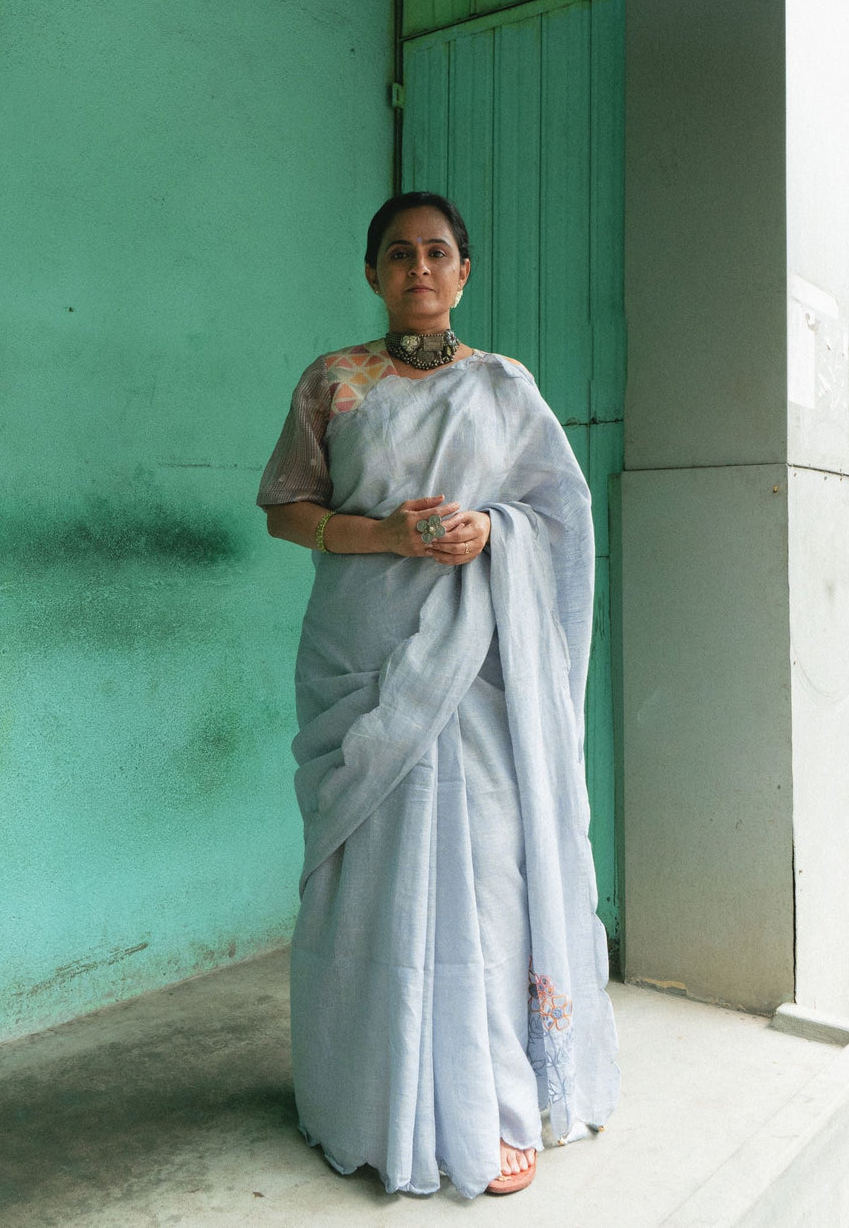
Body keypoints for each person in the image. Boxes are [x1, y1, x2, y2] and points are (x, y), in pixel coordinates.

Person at [257, 192, 618, 1200]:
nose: (420, 268)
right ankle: (362, 1094)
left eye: (438, 253)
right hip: (358, 651)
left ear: (464, 274)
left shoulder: (504, 388)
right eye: (399, 253)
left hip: (475, 658)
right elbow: (288, 511)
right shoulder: (334, 382)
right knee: (365, 871)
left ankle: (489, 1093)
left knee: (487, 868)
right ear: (372, 272)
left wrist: (489, 533)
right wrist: (390, 536)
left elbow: (559, 513)